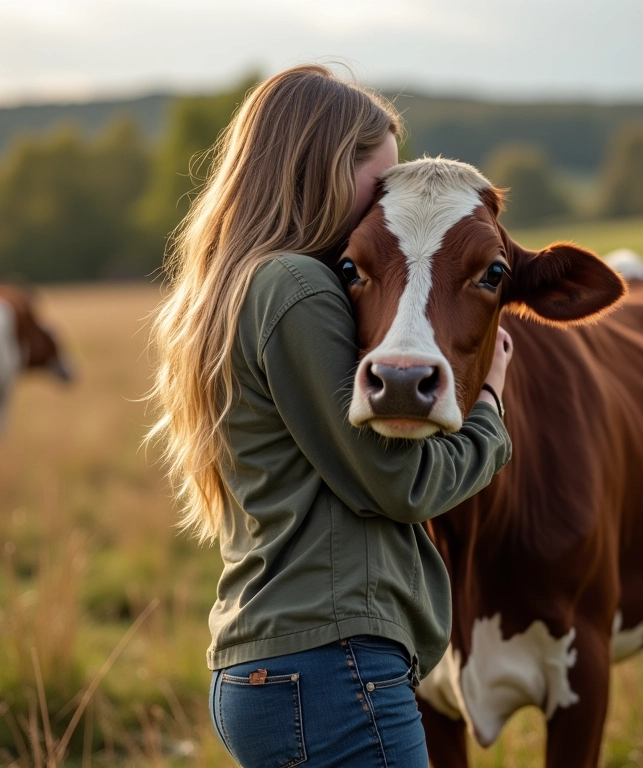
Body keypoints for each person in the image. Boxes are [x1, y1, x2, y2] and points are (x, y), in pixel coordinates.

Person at [148, 64, 513, 768]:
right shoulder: (297, 287)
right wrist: (490, 408)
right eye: (379, 185)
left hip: (278, 663)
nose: (384, 206)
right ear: (321, 169)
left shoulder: (234, 288)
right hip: (332, 665)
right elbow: (400, 486)